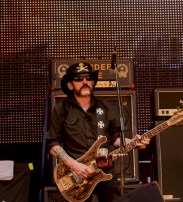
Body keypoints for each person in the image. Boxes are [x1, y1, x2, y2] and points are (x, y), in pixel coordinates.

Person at [46, 62, 149, 201]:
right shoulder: (61, 109)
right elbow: (53, 145)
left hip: (104, 170)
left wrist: (135, 142)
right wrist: (74, 165)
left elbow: (116, 139)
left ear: (93, 82)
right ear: (70, 85)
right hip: (76, 174)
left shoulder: (105, 108)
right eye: (78, 79)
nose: (85, 82)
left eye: (88, 78)